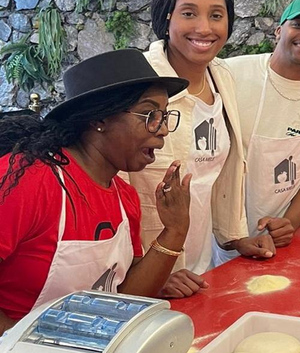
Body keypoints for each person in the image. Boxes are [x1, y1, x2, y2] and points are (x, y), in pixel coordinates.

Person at [0, 49, 191, 335]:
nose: (162, 129)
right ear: (98, 119)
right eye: (150, 114)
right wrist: (17, 340)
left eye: (164, 116)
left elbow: (124, 298)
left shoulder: (124, 197)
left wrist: (175, 230)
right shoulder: (28, 179)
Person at [127, 0, 275, 299]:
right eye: (189, 13)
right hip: (145, 275)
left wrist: (234, 238)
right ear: (166, 18)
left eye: (216, 15)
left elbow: (219, 174)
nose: (205, 28)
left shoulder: (221, 76)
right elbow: (113, 186)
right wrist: (148, 270)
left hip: (197, 267)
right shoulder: (137, 84)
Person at [223, 0, 300, 244]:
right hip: (210, 234)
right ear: (279, 30)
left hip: (271, 236)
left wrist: (288, 224)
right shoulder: (230, 74)